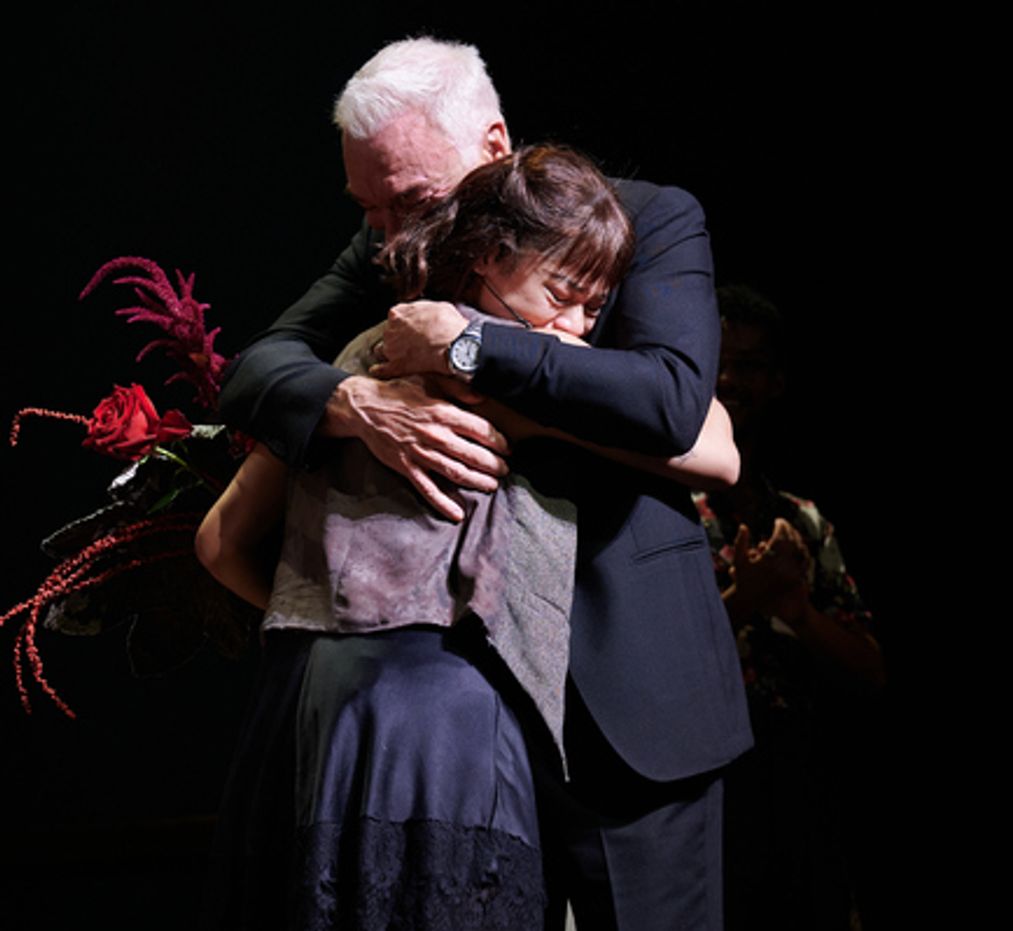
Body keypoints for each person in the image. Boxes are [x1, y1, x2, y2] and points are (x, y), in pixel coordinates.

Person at [216, 38, 751, 931]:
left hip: (630, 700)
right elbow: (256, 368)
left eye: (412, 200)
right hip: (465, 724)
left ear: (492, 144)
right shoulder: (400, 246)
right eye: (370, 207)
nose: (391, 233)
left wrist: (474, 348)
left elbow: (674, 405)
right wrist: (358, 405)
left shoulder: (650, 217)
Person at [691, 285, 885, 930]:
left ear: (776, 382)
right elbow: (647, 669)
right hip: (701, 782)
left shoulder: (800, 521)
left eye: (748, 366)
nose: (729, 380)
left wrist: (799, 612)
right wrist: (744, 600)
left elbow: (871, 669)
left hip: (801, 781)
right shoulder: (662, 513)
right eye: (718, 361)